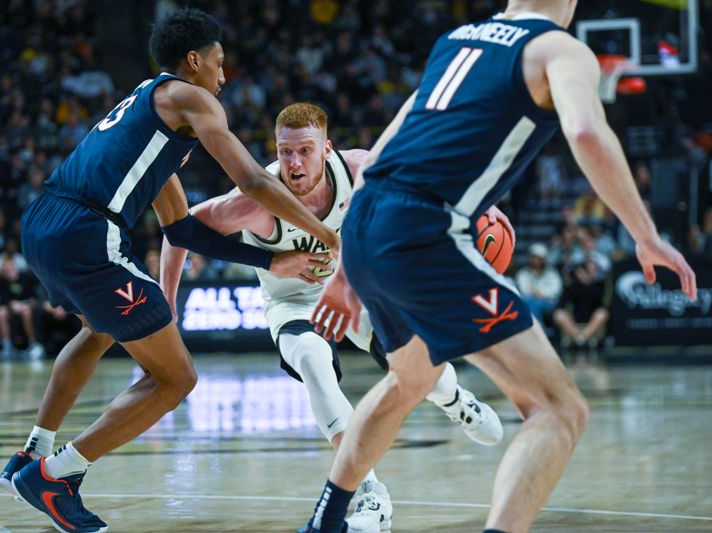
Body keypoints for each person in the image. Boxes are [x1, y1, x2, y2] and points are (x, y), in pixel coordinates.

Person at [300, 2, 697, 533]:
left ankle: (324, 523)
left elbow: (379, 155)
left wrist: (348, 274)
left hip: (368, 222)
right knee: (560, 409)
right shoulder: (559, 48)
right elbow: (585, 133)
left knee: (411, 379)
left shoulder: (459, 39)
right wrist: (646, 235)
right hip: (426, 230)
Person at [0, 9, 340, 533]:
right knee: (177, 378)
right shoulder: (190, 97)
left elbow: (180, 229)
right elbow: (251, 179)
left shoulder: (150, 116)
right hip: (86, 232)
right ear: (195, 61)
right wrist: (327, 235)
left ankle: (32, 453)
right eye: (219, 64)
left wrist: (273, 259)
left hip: (45, 223)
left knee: (96, 333)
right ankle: (57, 475)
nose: (223, 79)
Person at [161, 103, 505, 532]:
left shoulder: (358, 169)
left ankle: (455, 400)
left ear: (326, 149)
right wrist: (168, 302)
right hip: (293, 304)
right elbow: (180, 229)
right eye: (285, 152)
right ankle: (369, 494)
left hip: (357, 288)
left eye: (304, 151)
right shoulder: (255, 200)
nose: (293, 163)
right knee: (313, 364)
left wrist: (475, 208)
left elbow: (423, 179)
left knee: (418, 368)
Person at [514, 243, 562, 324]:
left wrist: (540, 293)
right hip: (530, 300)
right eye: (533, 257)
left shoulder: (552, 273)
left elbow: (556, 290)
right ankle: (538, 329)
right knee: (531, 302)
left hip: (548, 302)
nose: (535, 260)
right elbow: (524, 290)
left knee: (535, 303)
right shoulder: (523, 273)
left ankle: (535, 329)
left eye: (538, 258)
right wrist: (538, 294)